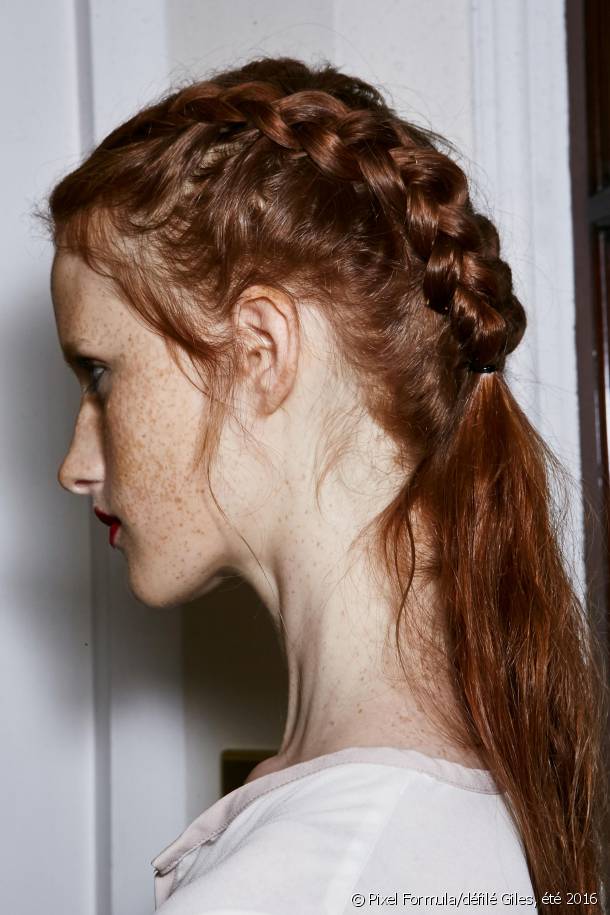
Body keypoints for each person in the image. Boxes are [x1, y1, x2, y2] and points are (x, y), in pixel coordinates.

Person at [42, 56, 608, 914]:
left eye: (99, 373)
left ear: (261, 351)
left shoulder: (312, 877)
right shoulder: (440, 806)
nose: (74, 463)